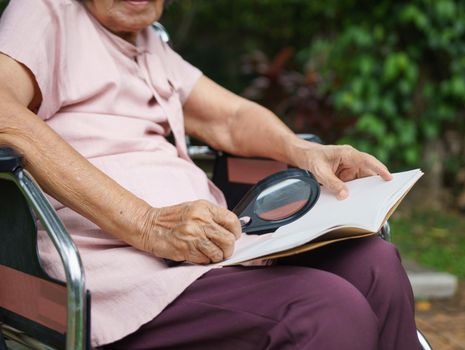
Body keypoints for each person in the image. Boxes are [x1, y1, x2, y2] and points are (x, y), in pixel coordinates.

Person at [0, 0, 420, 349]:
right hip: (119, 272)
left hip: (212, 249)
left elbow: (230, 118)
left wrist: (305, 151)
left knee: (375, 263)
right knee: (324, 308)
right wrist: (147, 224)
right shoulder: (47, 12)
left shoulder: (148, 43)